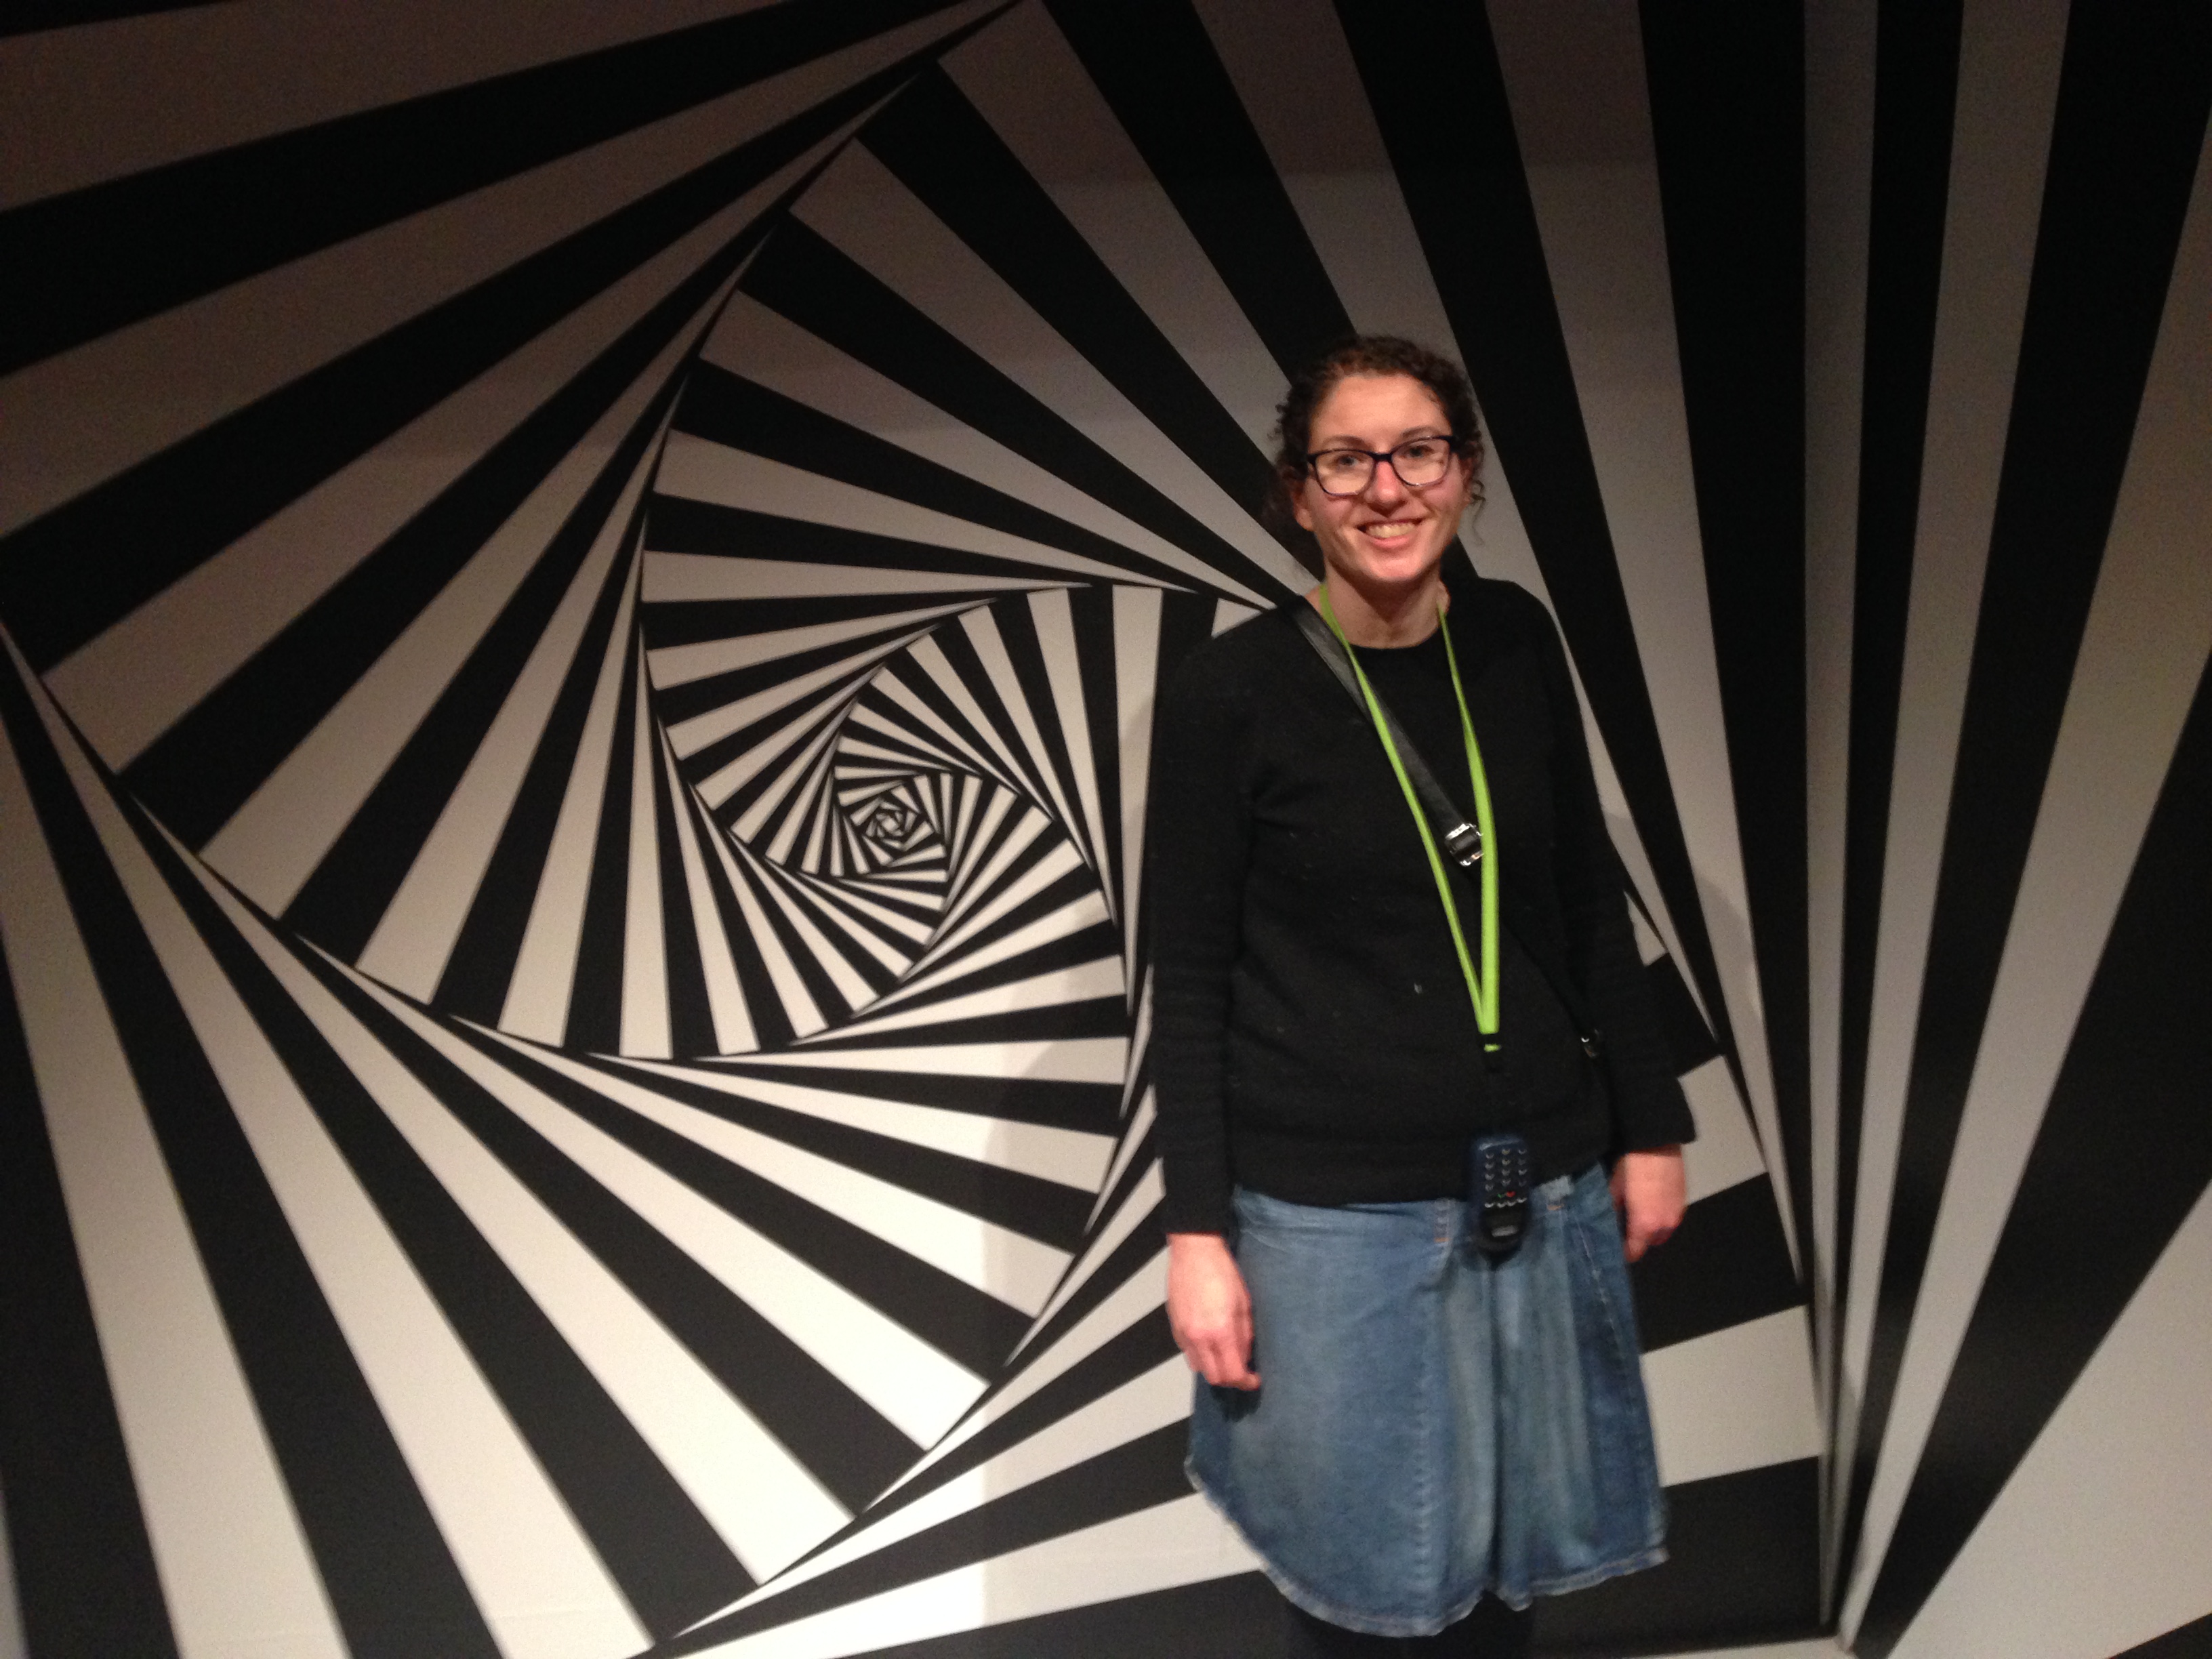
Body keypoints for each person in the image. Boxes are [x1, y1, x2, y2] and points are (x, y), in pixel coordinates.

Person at [1145, 336, 1695, 1656]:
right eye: (1346, 461)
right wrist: (1198, 1232)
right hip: (1335, 1227)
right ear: (1298, 493)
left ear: (1465, 473)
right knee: (1364, 1593)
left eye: (1418, 452)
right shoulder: (1231, 691)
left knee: (1508, 1579)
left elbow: (1583, 895)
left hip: (1541, 1191)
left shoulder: (1515, 640)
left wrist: (1648, 1123)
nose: (1386, 489)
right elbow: (1193, 977)